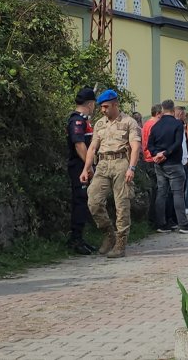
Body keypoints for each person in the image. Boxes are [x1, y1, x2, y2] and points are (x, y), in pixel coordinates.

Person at [79, 89, 141, 258]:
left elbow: (135, 146)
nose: (103, 110)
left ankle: (121, 243)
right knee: (93, 200)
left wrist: (132, 168)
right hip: (103, 164)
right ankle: (109, 233)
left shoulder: (129, 122)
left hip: (121, 163)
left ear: (115, 104)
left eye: (106, 106)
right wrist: (86, 168)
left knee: (122, 204)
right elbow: (92, 147)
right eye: (101, 107)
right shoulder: (100, 123)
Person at [148, 100, 188, 234]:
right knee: (178, 194)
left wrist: (157, 154)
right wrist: (166, 153)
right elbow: (178, 143)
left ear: (162, 109)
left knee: (161, 193)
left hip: (159, 164)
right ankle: (183, 223)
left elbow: (150, 144)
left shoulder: (156, 125)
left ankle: (161, 223)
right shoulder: (178, 124)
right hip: (174, 163)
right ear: (172, 110)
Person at [65, 87, 98, 255]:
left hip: (82, 166)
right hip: (79, 167)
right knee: (79, 202)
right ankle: (75, 240)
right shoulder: (77, 121)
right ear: (90, 104)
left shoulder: (84, 120)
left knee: (83, 202)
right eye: (94, 104)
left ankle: (80, 238)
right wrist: (89, 165)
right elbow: (79, 145)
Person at [141, 103, 163, 230]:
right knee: (157, 190)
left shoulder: (146, 124)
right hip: (153, 158)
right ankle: (154, 219)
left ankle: (151, 219)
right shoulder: (154, 125)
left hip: (146, 158)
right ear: (159, 113)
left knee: (152, 190)